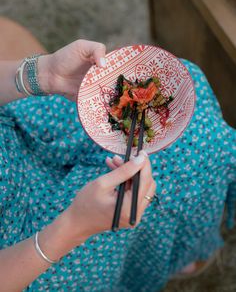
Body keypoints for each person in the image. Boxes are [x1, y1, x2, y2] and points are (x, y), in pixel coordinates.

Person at [0, 17, 235, 292]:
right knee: (187, 156)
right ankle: (168, 256)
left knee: (185, 89)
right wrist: (74, 227)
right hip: (30, 246)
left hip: (20, 135)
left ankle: (177, 248)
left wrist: (41, 74)